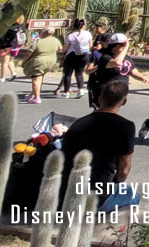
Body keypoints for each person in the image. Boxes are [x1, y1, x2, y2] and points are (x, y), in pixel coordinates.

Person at [58, 80, 140, 212]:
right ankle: (112, 227)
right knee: (133, 195)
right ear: (124, 102)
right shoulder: (126, 126)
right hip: (95, 198)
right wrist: (114, 183)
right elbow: (124, 169)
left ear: (100, 99)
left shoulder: (78, 124)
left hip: (66, 195)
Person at [85, 33, 132, 108]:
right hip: (100, 87)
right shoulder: (100, 54)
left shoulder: (123, 56)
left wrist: (142, 78)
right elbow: (88, 70)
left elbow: (132, 70)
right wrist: (100, 66)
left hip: (115, 90)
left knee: (110, 111)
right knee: (101, 110)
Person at [21, 28, 62, 104]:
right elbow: (60, 49)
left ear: (43, 33)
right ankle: (32, 94)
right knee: (40, 77)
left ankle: (37, 98)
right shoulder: (56, 40)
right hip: (51, 61)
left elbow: (28, 54)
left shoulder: (38, 42)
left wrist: (24, 62)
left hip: (39, 62)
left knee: (36, 80)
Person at [56, 19, 93, 98]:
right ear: (83, 26)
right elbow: (90, 46)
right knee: (79, 73)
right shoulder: (88, 34)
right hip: (84, 55)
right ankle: (80, 90)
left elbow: (65, 49)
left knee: (68, 74)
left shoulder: (70, 35)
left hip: (71, 56)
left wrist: (61, 51)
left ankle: (66, 92)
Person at [0, 15, 26, 81]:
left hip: (7, 46)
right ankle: (13, 73)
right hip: (16, 46)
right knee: (10, 60)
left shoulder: (10, 27)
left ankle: (2, 77)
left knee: (4, 62)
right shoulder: (21, 26)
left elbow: (3, 37)